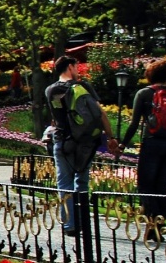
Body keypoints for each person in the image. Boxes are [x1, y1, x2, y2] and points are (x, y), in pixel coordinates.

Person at [45, 55, 121, 236]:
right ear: (70, 67)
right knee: (82, 181)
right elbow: (100, 114)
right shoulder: (83, 87)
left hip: (63, 140)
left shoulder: (50, 90)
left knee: (64, 182)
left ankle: (70, 225)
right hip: (84, 142)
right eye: (76, 67)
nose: (78, 71)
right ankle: (84, 222)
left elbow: (56, 116)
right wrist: (110, 137)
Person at [119, 59, 166, 232]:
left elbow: (134, 124)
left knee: (145, 185)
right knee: (162, 186)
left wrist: (122, 145)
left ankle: (153, 224)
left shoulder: (144, 94)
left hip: (152, 143)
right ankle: (162, 220)